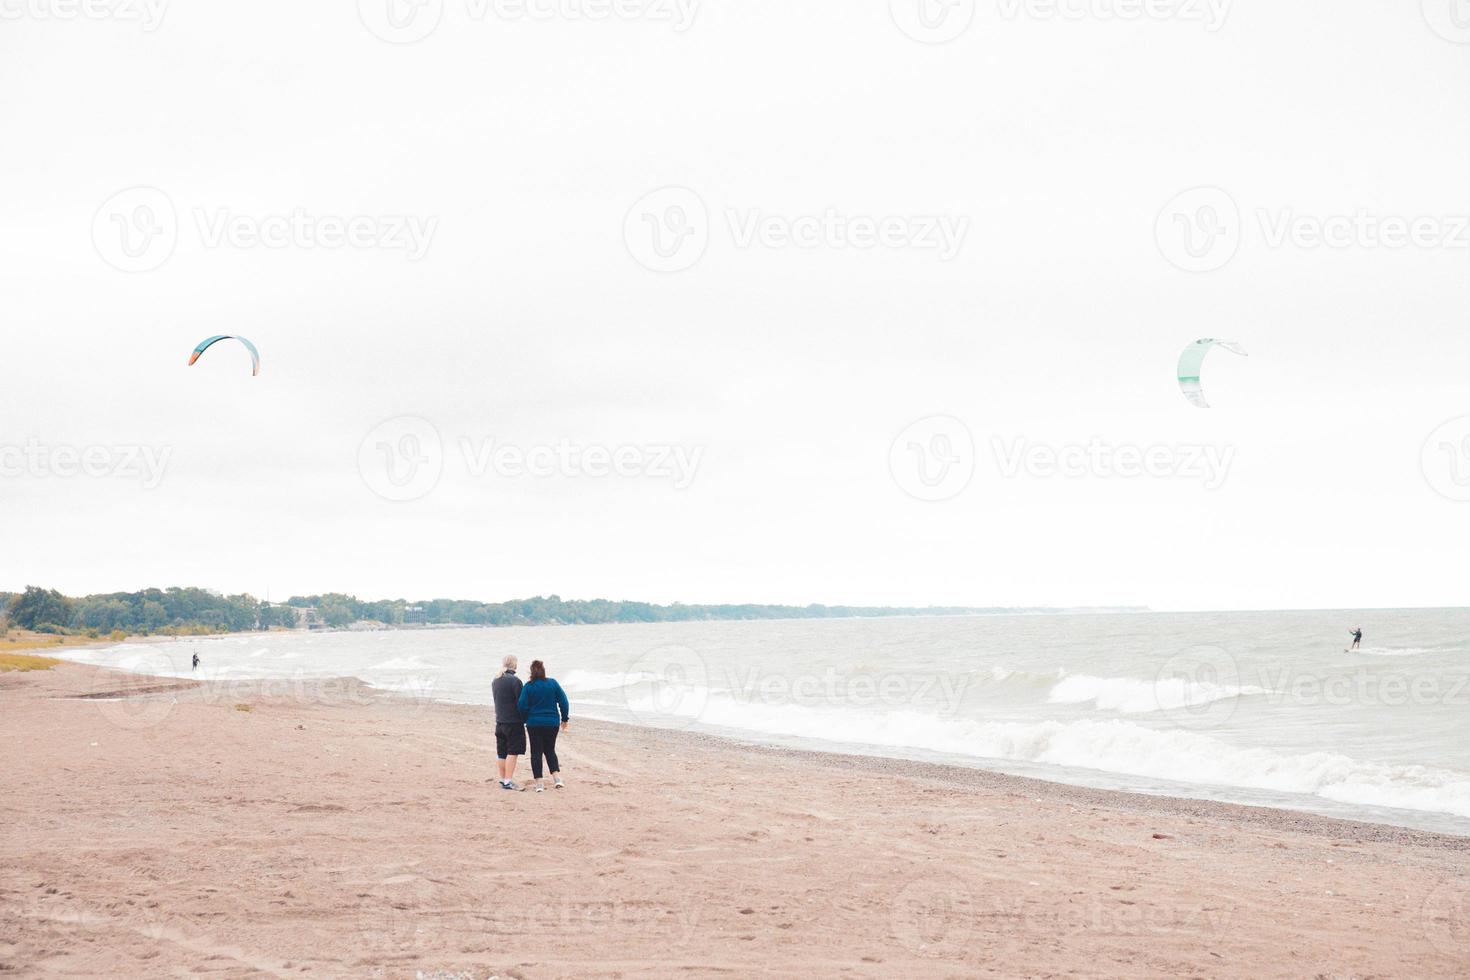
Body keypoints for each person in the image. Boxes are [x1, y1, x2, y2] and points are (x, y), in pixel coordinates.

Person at [517, 659, 570, 793]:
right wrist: (564, 719)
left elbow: (521, 705)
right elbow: (564, 701)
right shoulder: (552, 683)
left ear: (531, 672)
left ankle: (539, 784)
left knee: (536, 752)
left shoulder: (528, 686)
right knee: (550, 750)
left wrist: (524, 719)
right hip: (552, 723)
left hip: (534, 723)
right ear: (543, 671)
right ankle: (557, 779)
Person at [491, 655, 526, 791]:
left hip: (500, 721)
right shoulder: (515, 681)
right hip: (513, 722)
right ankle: (508, 781)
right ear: (515, 665)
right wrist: (526, 718)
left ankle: (503, 779)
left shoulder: (496, 680)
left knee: (502, 752)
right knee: (512, 751)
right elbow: (521, 703)